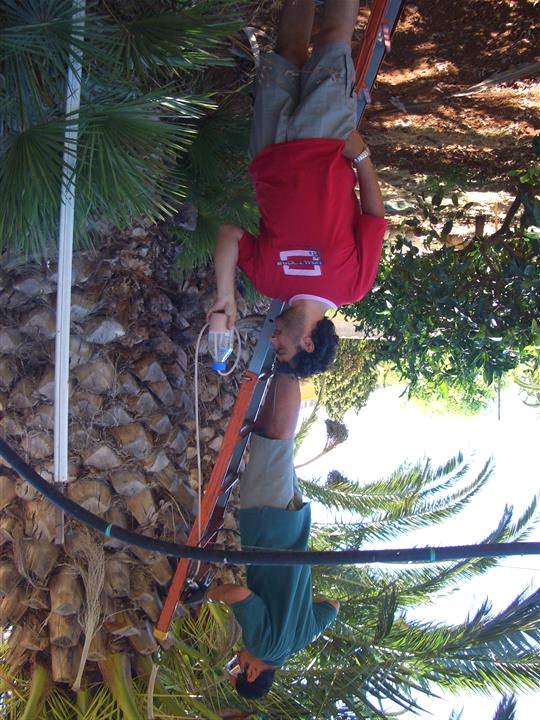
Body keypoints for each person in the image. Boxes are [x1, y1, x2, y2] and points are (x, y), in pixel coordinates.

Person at [209, 0, 388, 378]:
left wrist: (225, 295)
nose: (272, 341)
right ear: (307, 343)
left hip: (269, 148)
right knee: (335, 39)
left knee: (287, 49)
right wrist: (362, 158)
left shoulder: (268, 282)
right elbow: (374, 218)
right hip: (325, 142)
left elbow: (228, 235)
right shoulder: (352, 287)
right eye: (282, 350)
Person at [205, 372, 340, 699]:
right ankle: (293, 362)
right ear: (252, 673)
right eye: (236, 668)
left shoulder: (299, 640)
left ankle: (281, 367)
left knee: (267, 438)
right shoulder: (263, 646)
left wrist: (294, 598)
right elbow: (239, 595)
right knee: (278, 438)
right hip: (269, 525)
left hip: (292, 526)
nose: (236, 659)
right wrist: (209, 595)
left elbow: (332, 607)